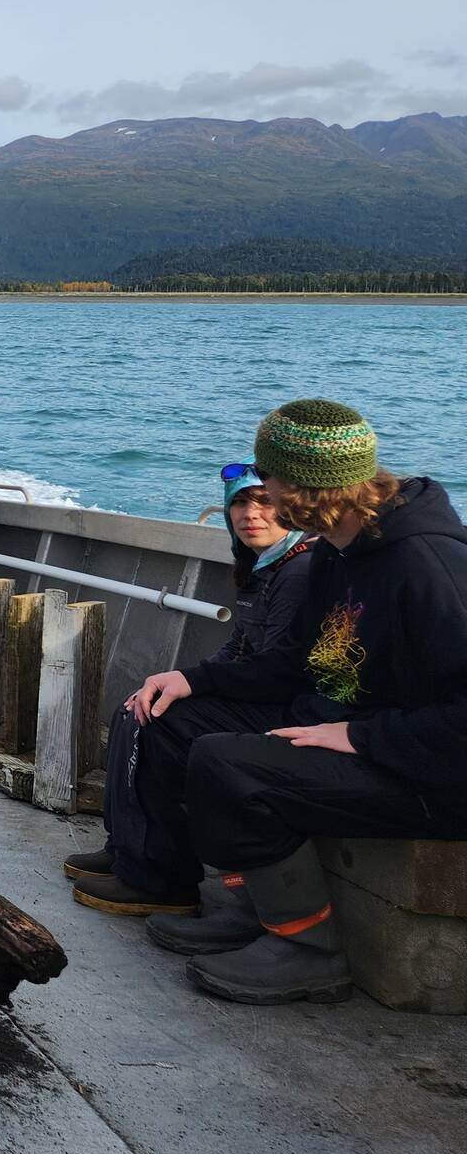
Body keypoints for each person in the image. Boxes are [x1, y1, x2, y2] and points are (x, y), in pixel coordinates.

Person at [121, 401, 467, 1004]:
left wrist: (363, 738)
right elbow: (296, 660)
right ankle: (248, 901)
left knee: (229, 762)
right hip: (357, 725)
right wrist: (194, 679)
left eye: (268, 475)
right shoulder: (340, 547)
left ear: (303, 485)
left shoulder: (428, 563)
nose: (262, 491)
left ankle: (308, 948)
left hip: (432, 773)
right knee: (176, 720)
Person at [66, 463, 318, 917]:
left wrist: (192, 685)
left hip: (293, 710)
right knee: (138, 706)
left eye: (264, 502)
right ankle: (128, 848)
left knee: (160, 722)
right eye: (240, 503)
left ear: (292, 509)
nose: (250, 515)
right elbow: (238, 651)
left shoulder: (298, 573)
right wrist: (178, 681)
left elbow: (280, 672)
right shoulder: (263, 566)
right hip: (263, 695)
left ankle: (162, 879)